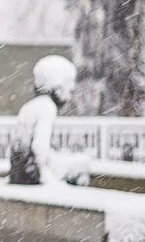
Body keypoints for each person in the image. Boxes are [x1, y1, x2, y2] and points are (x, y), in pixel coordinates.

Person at [8, 55, 87, 185]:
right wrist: (46, 177)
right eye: (68, 90)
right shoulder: (47, 107)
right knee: (83, 164)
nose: (69, 97)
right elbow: (40, 146)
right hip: (32, 174)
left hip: (20, 173)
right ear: (58, 88)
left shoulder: (30, 106)